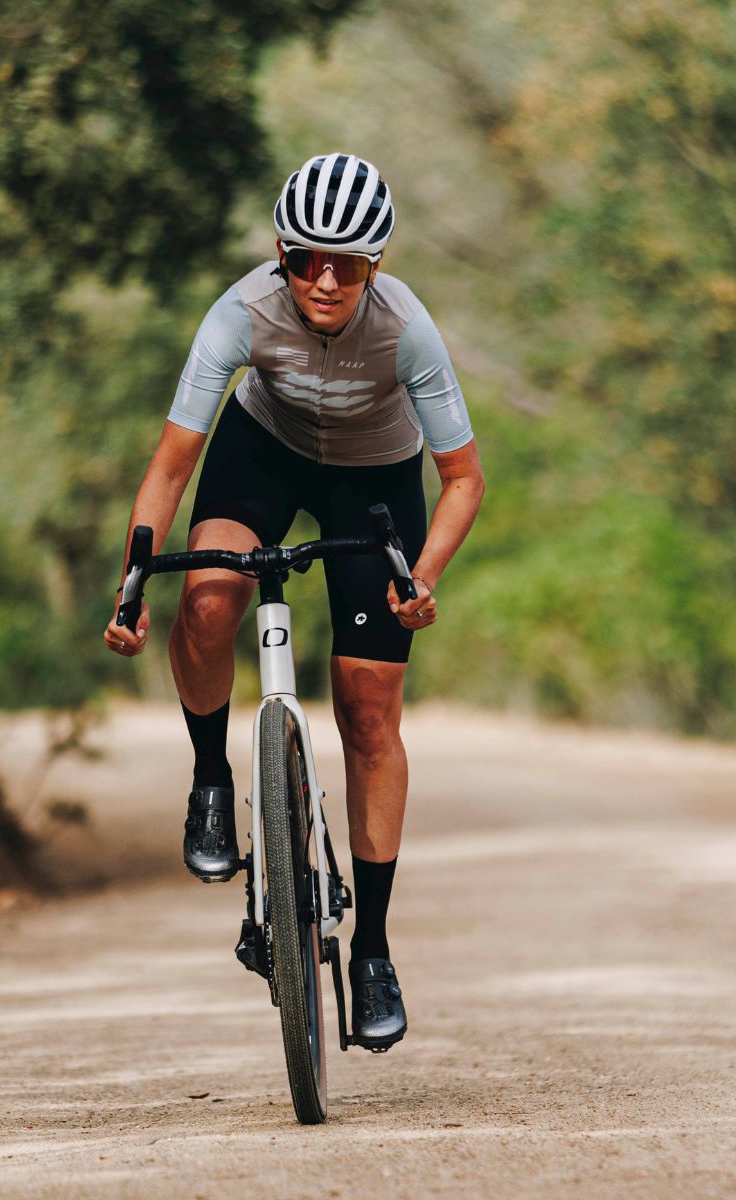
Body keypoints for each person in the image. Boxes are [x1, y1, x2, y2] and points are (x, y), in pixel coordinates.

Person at [102, 153, 485, 1050]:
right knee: (207, 604)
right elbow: (173, 465)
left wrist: (422, 576)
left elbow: (463, 479)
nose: (325, 280)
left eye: (347, 264)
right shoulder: (240, 313)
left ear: (375, 266)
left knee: (368, 706)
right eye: (308, 258)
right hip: (263, 452)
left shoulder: (408, 331)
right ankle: (211, 778)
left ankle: (373, 952)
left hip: (374, 477)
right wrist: (132, 582)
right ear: (282, 253)